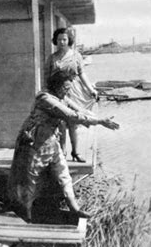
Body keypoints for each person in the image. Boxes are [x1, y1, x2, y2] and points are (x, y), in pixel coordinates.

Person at [7, 71, 119, 223]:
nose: (68, 90)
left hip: (51, 140)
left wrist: (99, 119)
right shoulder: (45, 99)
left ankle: (75, 209)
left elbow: (79, 111)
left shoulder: (61, 97)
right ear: (56, 86)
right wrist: (99, 121)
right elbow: (71, 116)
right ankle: (26, 217)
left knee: (63, 174)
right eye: (66, 87)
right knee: (30, 181)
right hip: (34, 142)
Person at [45, 27, 99, 162]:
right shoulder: (52, 58)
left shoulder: (76, 56)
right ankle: (63, 153)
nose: (62, 42)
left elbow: (82, 74)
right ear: (55, 41)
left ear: (69, 40)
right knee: (61, 123)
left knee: (73, 123)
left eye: (64, 39)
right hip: (57, 92)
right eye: (59, 40)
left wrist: (91, 89)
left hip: (74, 91)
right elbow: (46, 77)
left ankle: (76, 152)